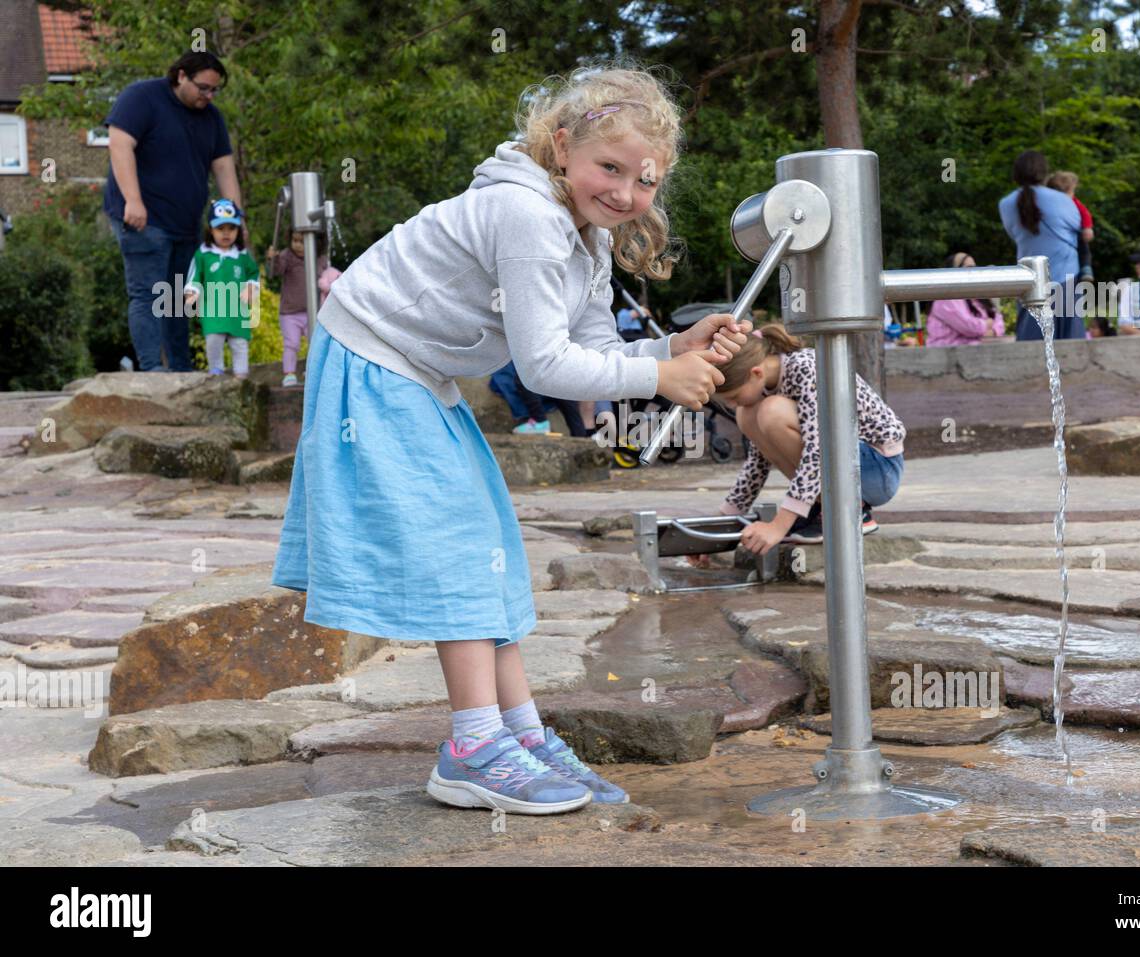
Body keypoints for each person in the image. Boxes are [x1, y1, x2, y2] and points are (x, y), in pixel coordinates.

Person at [271, 63, 749, 814]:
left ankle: (517, 730)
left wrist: (671, 349)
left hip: (416, 372)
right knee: (457, 545)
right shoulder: (526, 217)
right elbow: (546, 365)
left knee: (490, 541)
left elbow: (597, 349)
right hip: (373, 362)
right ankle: (471, 747)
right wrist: (661, 382)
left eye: (646, 180)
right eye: (609, 168)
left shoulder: (588, 238)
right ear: (563, 148)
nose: (626, 193)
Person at [689, 323, 905, 561]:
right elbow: (757, 464)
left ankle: (849, 510)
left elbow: (817, 451)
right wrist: (718, 526)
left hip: (877, 467)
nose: (731, 405)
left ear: (756, 373)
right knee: (748, 415)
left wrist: (779, 525)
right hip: (847, 466)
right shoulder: (766, 388)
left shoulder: (807, 368)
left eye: (734, 397)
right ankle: (820, 507)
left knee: (770, 412)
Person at [102, 51, 244, 372]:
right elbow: (119, 143)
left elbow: (223, 167)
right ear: (181, 76)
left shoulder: (212, 118)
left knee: (178, 298)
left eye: (214, 90)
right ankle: (152, 371)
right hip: (143, 219)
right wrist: (133, 200)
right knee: (149, 294)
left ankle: (180, 370)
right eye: (203, 88)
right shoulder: (142, 97)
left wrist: (235, 218)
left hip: (184, 224)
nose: (208, 96)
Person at [997, 150, 1084, 340]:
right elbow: (1079, 228)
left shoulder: (1005, 204)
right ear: (1044, 173)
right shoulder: (1062, 200)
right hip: (1064, 277)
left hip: (1029, 280)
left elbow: (1013, 234)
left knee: (1032, 342)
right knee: (1070, 343)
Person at [182, 200, 258, 378]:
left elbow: (253, 273)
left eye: (231, 228)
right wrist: (192, 290)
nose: (226, 233)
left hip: (237, 309)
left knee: (239, 343)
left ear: (238, 231)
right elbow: (195, 274)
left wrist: (250, 288)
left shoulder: (242, 255)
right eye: (220, 228)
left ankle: (241, 376)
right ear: (210, 229)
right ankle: (216, 371)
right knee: (213, 341)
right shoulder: (204, 253)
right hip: (213, 309)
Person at [266, 231, 328, 387]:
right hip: (290, 312)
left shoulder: (320, 259)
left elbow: (328, 278)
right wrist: (272, 259)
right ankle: (289, 373)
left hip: (313, 312)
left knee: (316, 343)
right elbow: (274, 272)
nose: (298, 245)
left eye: (302, 241)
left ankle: (313, 372)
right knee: (291, 344)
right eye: (295, 240)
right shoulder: (287, 256)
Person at [925, 252, 1005, 346]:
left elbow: (1000, 323)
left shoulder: (977, 297)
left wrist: (993, 331)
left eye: (975, 268)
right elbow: (969, 328)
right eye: (969, 268)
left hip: (972, 351)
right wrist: (987, 324)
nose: (973, 272)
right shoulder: (945, 298)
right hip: (946, 354)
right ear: (953, 270)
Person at [1046, 171, 1094, 281]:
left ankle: (1086, 268)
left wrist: (1087, 227)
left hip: (1075, 235)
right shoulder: (1050, 204)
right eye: (1071, 191)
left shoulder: (1074, 202)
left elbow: (1085, 213)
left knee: (1083, 247)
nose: (1073, 194)